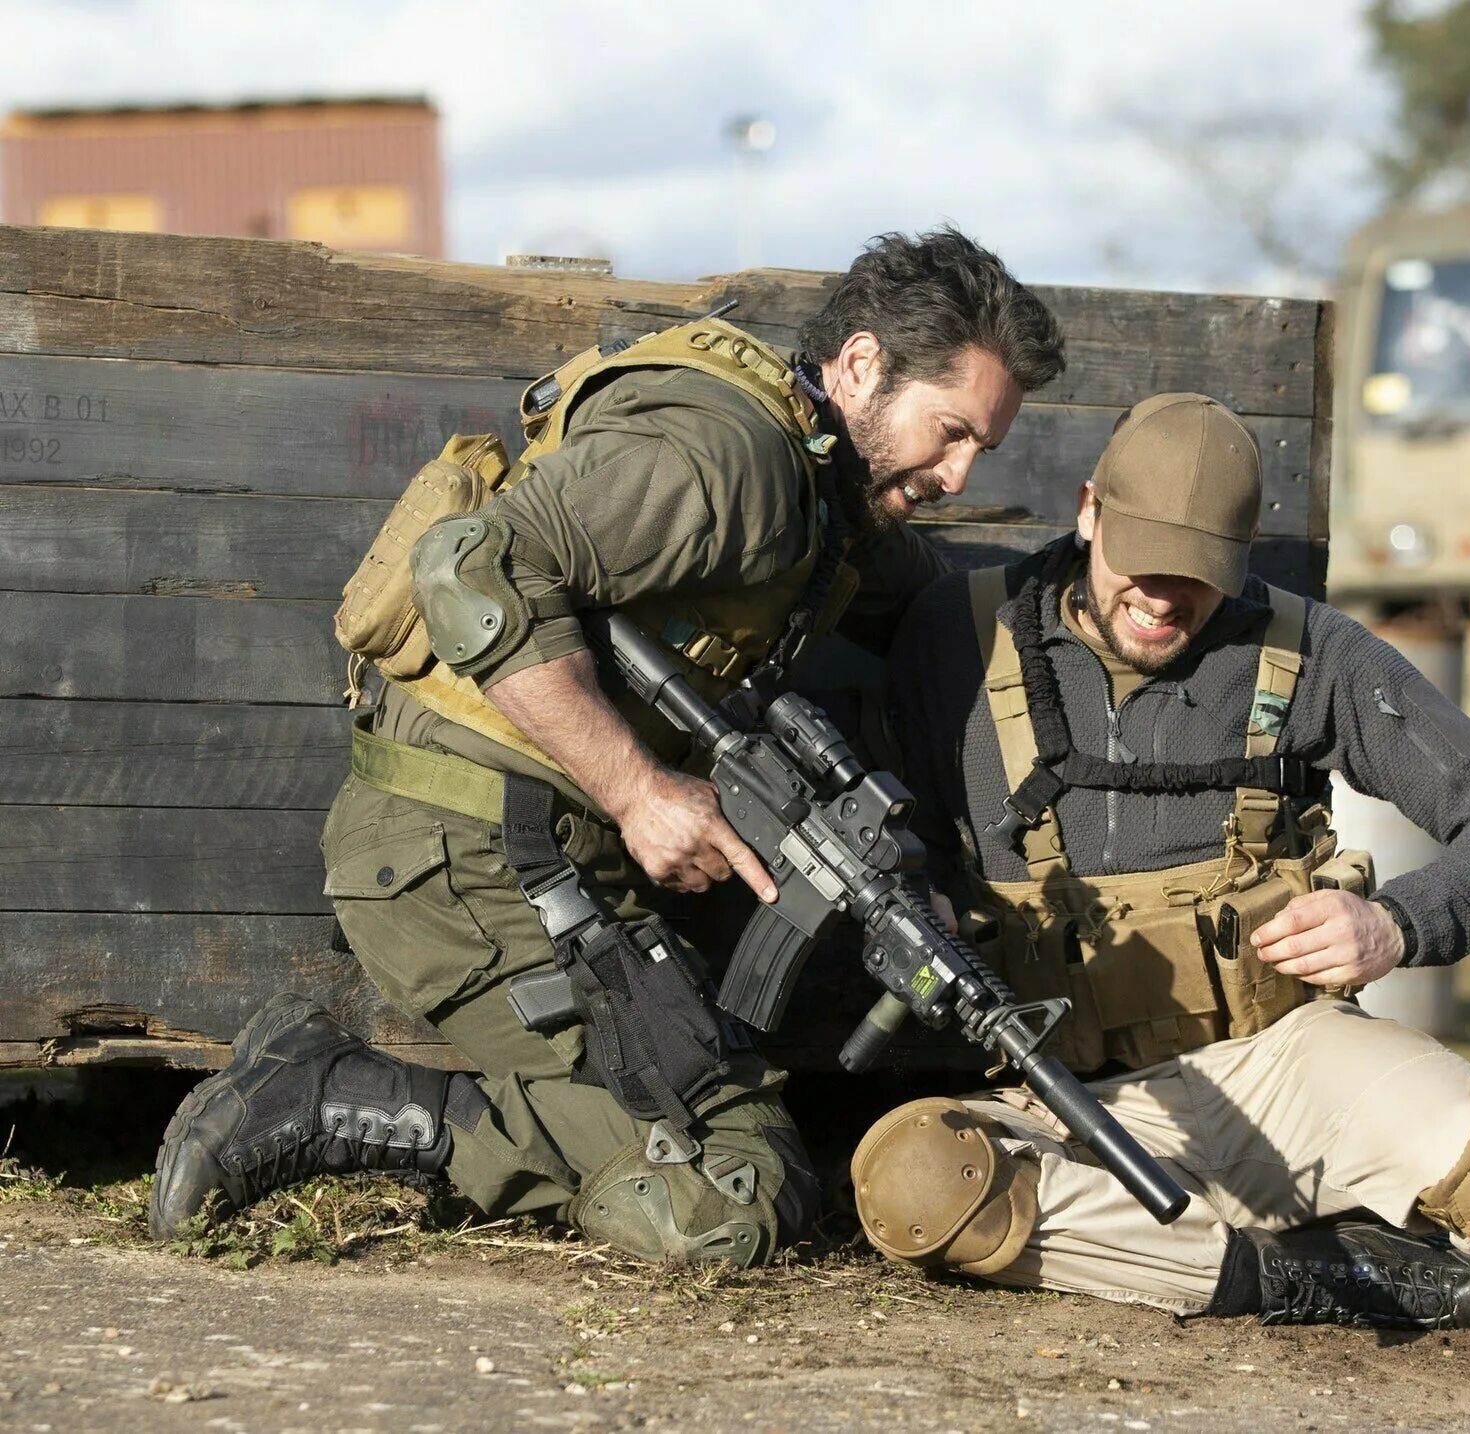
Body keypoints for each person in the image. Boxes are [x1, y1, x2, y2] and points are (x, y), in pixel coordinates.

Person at [850, 393, 1470, 1355]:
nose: (1160, 597)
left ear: (1239, 560)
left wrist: (1398, 925)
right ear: (1087, 511)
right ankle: (1334, 1277)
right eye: (1140, 560)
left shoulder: (1306, 652)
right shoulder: (958, 635)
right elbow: (913, 851)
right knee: (919, 1184)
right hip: (1061, 1096)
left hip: (1290, 1062)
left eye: (1195, 574)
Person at [148, 228, 1068, 1269]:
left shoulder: (818, 499)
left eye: (978, 451)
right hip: (466, 848)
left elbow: (922, 597)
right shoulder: (732, 463)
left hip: (544, 853)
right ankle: (328, 1096)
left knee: (759, 1170)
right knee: (725, 1205)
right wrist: (637, 790)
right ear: (861, 366)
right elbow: (472, 565)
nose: (957, 473)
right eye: (949, 433)